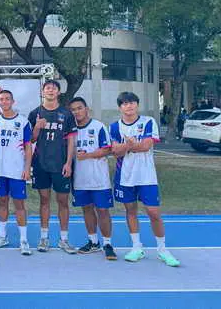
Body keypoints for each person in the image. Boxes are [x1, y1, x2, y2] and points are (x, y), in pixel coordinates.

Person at [110, 92, 180, 267]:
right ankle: (137, 247)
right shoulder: (114, 127)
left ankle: (162, 250)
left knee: (153, 213)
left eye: (132, 102)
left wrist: (128, 146)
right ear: (120, 107)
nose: (129, 106)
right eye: (125, 103)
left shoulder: (148, 122)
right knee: (130, 211)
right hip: (125, 176)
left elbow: (146, 146)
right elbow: (115, 152)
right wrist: (130, 145)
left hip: (146, 176)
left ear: (137, 105)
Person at [28, 79, 77, 254]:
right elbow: (30, 140)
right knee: (44, 200)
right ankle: (44, 238)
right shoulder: (35, 113)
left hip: (60, 164)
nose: (50, 90)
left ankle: (64, 239)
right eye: (47, 88)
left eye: (54, 88)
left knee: (63, 201)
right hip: (40, 163)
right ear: (43, 91)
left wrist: (68, 163)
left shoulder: (66, 114)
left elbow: (71, 140)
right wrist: (37, 127)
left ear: (58, 92)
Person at [68, 97, 117, 260]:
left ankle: (108, 244)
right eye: (73, 109)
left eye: (79, 108)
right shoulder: (71, 130)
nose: (76, 112)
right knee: (87, 209)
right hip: (80, 179)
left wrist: (88, 155)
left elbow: (107, 149)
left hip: (99, 179)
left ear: (86, 109)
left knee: (102, 210)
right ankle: (93, 241)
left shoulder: (98, 126)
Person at [0, 90, 33, 254]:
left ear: (13, 101)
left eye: (7, 99)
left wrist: (27, 168)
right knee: (2, 202)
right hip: (0, 169)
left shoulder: (23, 121)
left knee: (19, 204)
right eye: (2, 99)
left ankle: (23, 240)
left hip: (17, 170)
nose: (5, 101)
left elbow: (28, 147)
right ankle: (2, 236)